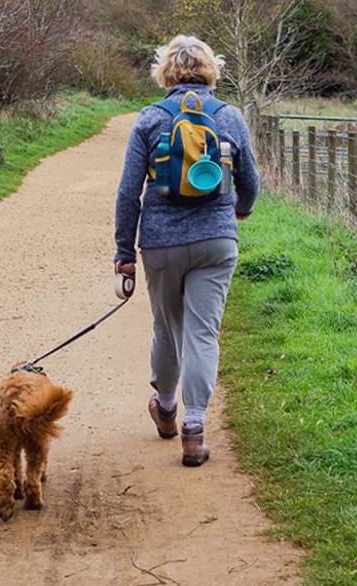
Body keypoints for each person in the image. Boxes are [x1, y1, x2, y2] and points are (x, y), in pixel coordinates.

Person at [114, 35, 260, 467]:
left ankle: (166, 410)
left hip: (160, 241)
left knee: (166, 328)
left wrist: (124, 250)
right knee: (202, 333)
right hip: (216, 239)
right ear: (211, 69)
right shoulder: (229, 116)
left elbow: (128, 193)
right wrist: (241, 210)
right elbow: (250, 180)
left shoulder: (149, 119)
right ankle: (194, 429)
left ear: (166, 72)